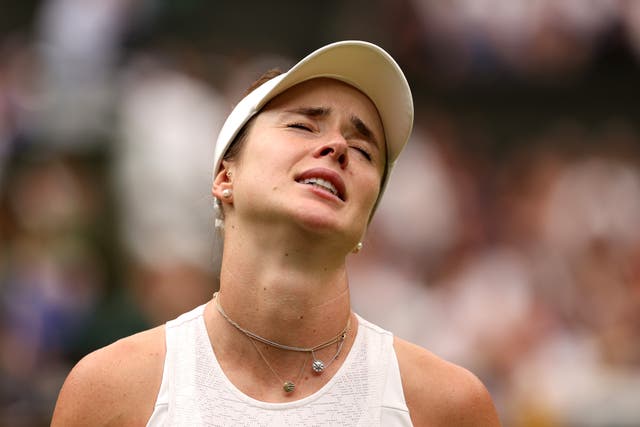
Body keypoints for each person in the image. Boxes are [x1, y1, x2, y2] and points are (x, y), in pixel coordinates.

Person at [51, 40, 501, 426]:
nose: (338, 147)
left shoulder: (448, 405)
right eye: (303, 125)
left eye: (364, 150)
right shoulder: (109, 390)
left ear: (367, 220)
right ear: (225, 177)